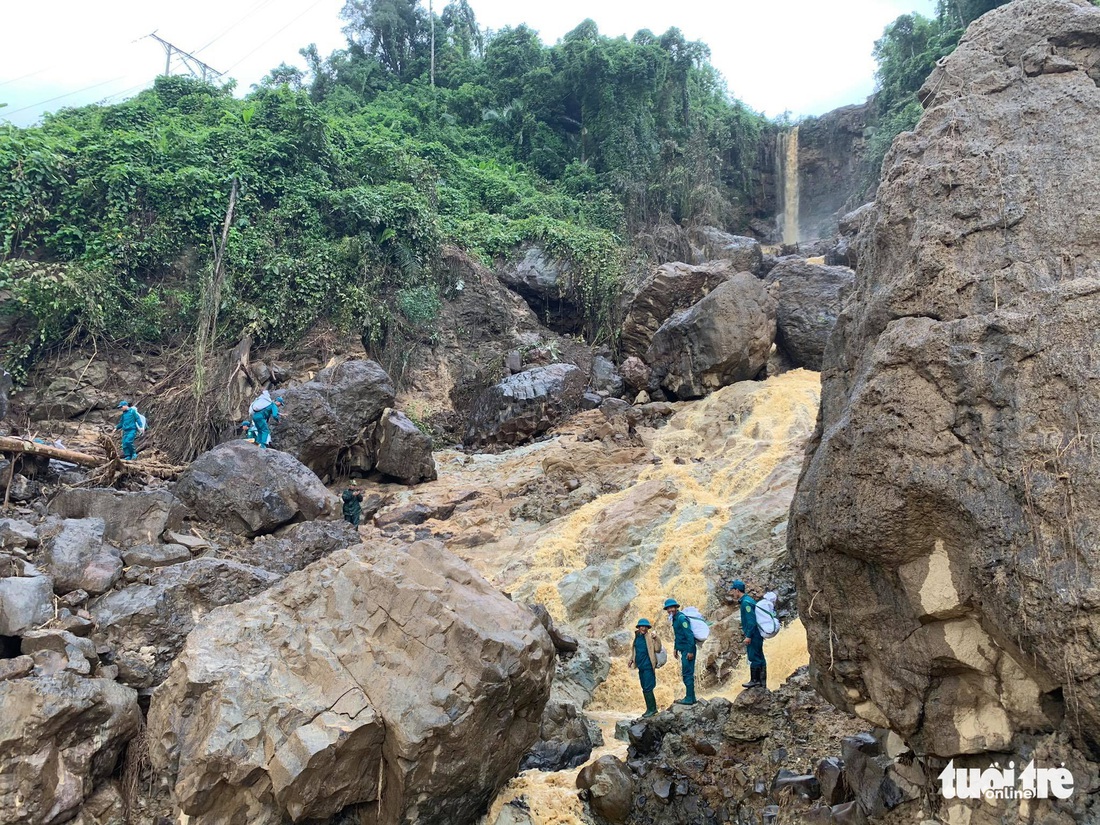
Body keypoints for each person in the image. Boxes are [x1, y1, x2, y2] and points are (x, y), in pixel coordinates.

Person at [730, 579, 767, 689]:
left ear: (737, 590)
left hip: (754, 635)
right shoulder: (748, 600)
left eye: (733, 591)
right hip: (758, 634)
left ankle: (755, 681)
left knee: (754, 656)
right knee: (760, 657)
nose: (732, 593)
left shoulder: (745, 603)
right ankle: (762, 683)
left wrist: (748, 636)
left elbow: (751, 621)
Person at [627, 618, 663, 718]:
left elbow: (658, 649)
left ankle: (653, 709)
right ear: (638, 627)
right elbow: (635, 650)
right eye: (641, 626)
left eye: (645, 626)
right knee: (644, 688)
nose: (643, 628)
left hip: (648, 666)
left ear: (648, 628)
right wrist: (631, 659)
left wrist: (657, 638)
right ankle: (649, 708)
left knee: (648, 687)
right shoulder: (637, 637)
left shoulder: (650, 637)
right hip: (640, 666)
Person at [664, 597, 696, 705]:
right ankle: (692, 697)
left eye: (672, 608)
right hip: (682, 649)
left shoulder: (682, 618)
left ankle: (689, 698)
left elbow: (689, 635)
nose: (670, 610)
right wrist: (675, 648)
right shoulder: (674, 618)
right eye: (668, 609)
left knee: (687, 673)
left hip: (688, 649)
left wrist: (690, 651)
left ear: (676, 608)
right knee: (687, 673)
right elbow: (678, 636)